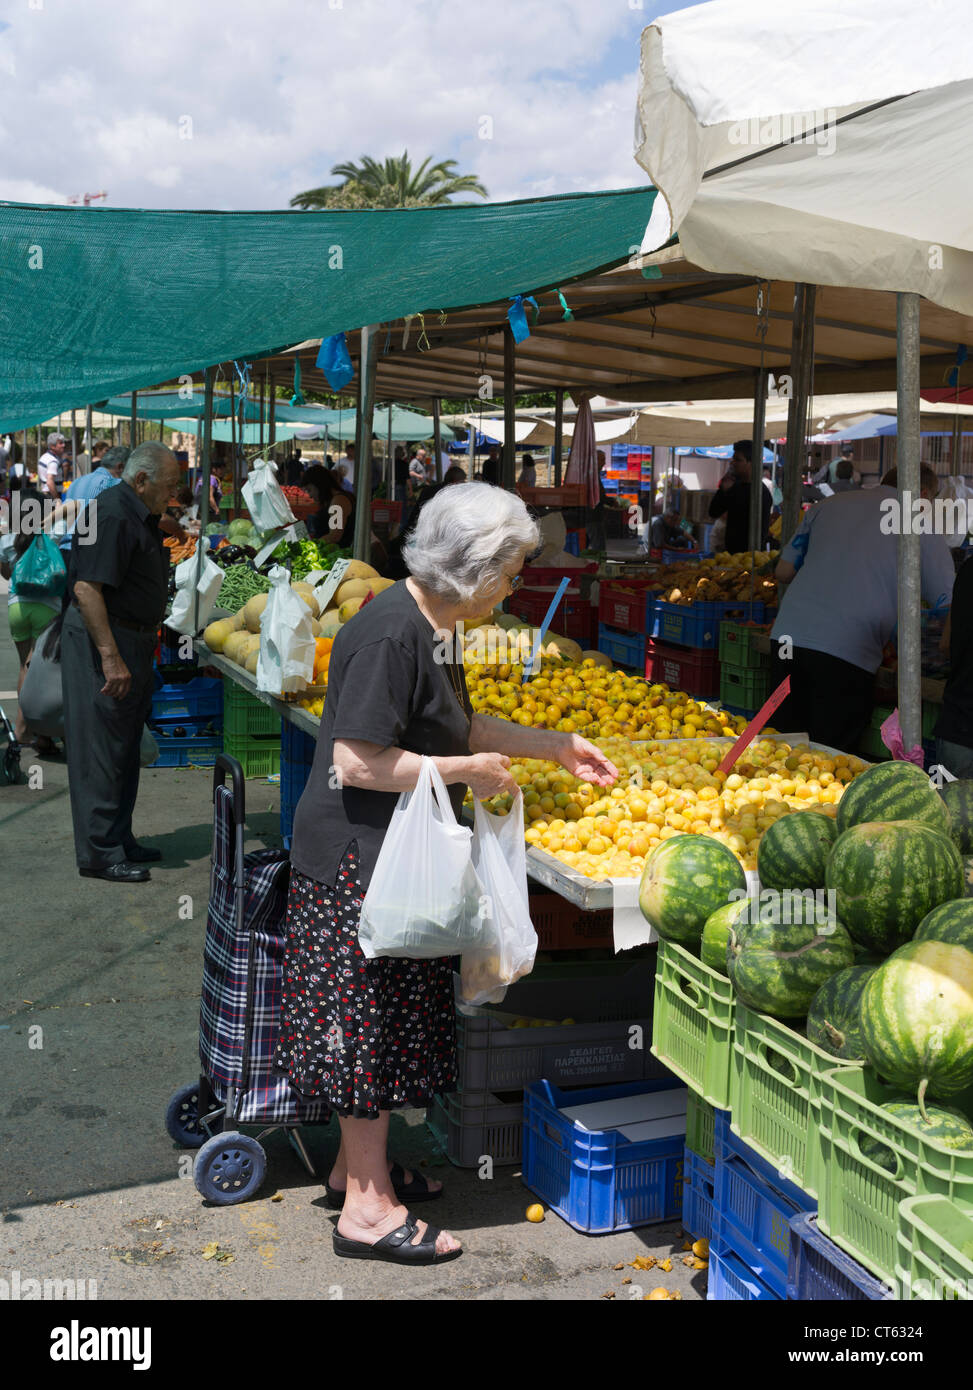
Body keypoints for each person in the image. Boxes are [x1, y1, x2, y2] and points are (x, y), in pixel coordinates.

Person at [273, 482, 618, 1264]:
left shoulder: (430, 624)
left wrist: (551, 743)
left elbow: (451, 724)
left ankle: (351, 1168)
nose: (516, 584)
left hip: (389, 855)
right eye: (512, 570)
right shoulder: (395, 633)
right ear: (475, 569)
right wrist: (467, 770)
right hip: (357, 863)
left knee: (389, 1023)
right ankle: (365, 1210)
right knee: (365, 1029)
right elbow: (357, 763)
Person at [61, 442, 182, 882]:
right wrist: (111, 658)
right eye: (169, 487)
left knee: (124, 747)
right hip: (104, 640)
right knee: (101, 750)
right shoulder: (109, 513)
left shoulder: (133, 509)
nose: (173, 495)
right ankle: (99, 853)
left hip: (131, 637)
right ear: (142, 480)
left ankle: (119, 838)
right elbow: (86, 589)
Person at [771, 464, 955, 752]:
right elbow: (949, 604)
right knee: (828, 761)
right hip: (846, 654)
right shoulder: (916, 522)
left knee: (783, 749)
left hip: (786, 639)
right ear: (922, 494)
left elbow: (783, 572)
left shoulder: (826, 506)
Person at [0, 476, 64, 749]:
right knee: (38, 671)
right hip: (46, 609)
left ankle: (28, 729)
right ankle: (29, 730)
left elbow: (6, 573)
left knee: (25, 668)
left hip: (17, 608)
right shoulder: (51, 534)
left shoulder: (6, 541)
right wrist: (52, 512)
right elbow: (73, 509)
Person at [708, 440, 771, 553]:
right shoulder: (733, 487)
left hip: (749, 559)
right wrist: (722, 490)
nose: (732, 463)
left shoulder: (761, 493)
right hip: (730, 557)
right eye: (733, 459)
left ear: (750, 463)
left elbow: (760, 532)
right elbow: (713, 512)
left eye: (738, 460)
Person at [303, 464, 353, 546]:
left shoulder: (338, 502)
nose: (310, 495)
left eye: (309, 490)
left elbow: (335, 535)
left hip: (336, 552)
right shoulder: (333, 500)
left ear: (319, 485)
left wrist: (311, 545)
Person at [37, 432, 67, 498]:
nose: (63, 445)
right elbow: (50, 482)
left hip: (45, 494)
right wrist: (57, 499)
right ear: (52, 446)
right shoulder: (53, 461)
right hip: (51, 495)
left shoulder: (44, 457)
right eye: (60, 443)